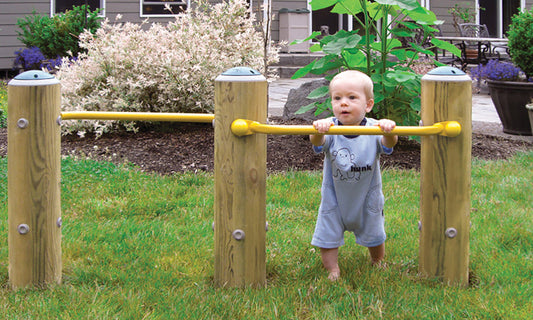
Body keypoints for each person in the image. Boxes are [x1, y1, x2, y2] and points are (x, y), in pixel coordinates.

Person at [309, 70, 398, 281]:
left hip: (367, 195)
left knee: (374, 229)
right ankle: (332, 269)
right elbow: (316, 142)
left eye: (351, 97)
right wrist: (318, 130)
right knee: (328, 232)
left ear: (368, 105)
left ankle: (378, 261)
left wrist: (389, 131)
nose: (343, 103)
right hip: (335, 198)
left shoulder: (375, 128)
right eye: (337, 98)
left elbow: (389, 145)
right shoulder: (329, 128)